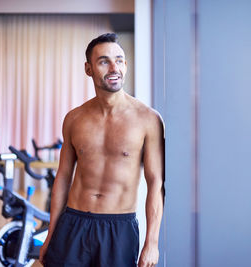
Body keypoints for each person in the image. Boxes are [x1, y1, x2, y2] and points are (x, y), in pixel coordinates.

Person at [39, 33, 165, 267]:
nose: (113, 67)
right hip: (73, 223)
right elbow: (63, 178)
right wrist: (50, 234)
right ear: (89, 69)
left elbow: (156, 183)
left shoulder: (148, 119)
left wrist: (152, 243)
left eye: (119, 60)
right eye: (104, 61)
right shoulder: (74, 119)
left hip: (119, 228)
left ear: (126, 65)